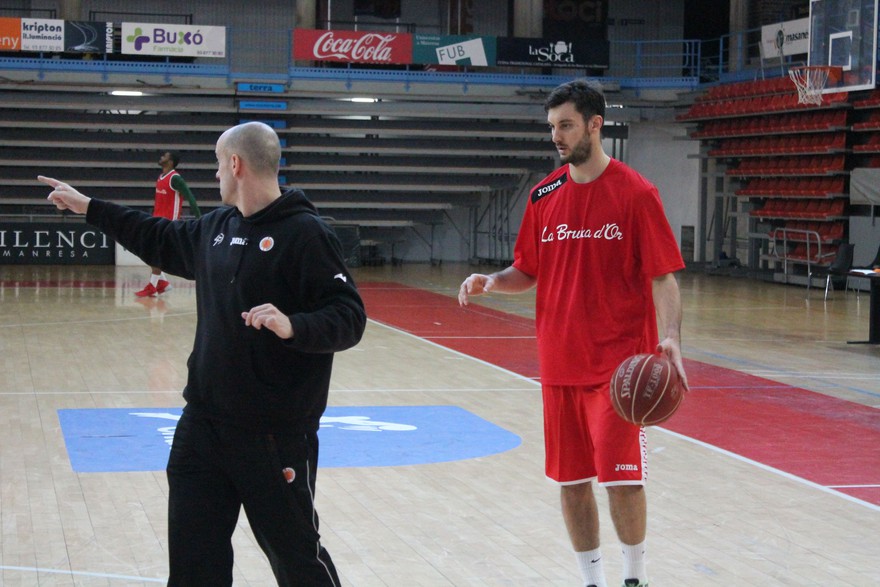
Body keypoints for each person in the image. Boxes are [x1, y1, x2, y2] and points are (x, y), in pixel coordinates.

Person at [40, 121, 366, 586]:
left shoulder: (306, 234)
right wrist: (89, 207)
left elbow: (349, 316)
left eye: (218, 165)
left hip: (274, 436)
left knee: (297, 559)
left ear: (236, 164)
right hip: (203, 427)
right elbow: (155, 235)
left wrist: (294, 325)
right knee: (194, 565)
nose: (215, 176)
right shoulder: (216, 228)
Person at [458, 80, 688, 587]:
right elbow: (527, 270)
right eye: (552, 127)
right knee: (571, 483)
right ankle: (591, 581)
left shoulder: (636, 193)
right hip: (559, 365)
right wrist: (492, 281)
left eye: (565, 125)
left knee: (621, 482)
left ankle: (636, 578)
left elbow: (663, 275)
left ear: (594, 124)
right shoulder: (545, 195)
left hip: (618, 369)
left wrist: (670, 336)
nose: (557, 137)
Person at [136, 150, 202, 297]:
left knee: (154, 253)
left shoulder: (176, 178)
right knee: (152, 252)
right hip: (156, 220)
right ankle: (162, 283)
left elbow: (190, 196)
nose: (161, 157)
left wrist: (200, 219)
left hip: (169, 223)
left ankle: (153, 285)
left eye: (165, 156)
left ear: (171, 162)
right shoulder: (160, 177)